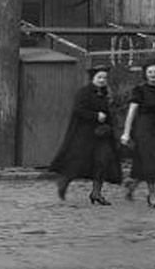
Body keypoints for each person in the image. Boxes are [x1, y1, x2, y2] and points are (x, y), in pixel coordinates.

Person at [51, 66, 122, 204]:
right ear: (93, 78)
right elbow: (78, 110)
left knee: (103, 161)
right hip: (85, 134)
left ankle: (96, 193)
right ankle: (64, 182)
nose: (102, 80)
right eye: (99, 77)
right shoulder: (83, 93)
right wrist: (95, 116)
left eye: (105, 78)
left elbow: (110, 112)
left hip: (102, 135)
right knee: (79, 161)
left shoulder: (106, 93)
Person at [121, 61, 155, 209]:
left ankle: (132, 186)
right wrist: (126, 132)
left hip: (154, 128)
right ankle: (152, 195)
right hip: (141, 128)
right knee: (151, 161)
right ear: (145, 74)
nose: (153, 75)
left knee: (145, 161)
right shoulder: (139, 90)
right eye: (150, 72)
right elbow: (132, 112)